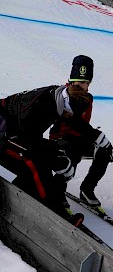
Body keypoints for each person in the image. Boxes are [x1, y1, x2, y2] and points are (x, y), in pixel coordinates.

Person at [0, 84, 95, 226]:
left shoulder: (59, 96)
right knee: (34, 165)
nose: (69, 117)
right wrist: (55, 156)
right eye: (70, 113)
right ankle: (52, 212)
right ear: (67, 105)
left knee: (44, 159)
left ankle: (22, 200)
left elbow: (74, 124)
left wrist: (92, 139)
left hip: (16, 132)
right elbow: (27, 143)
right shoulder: (40, 107)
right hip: (5, 134)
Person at [49, 55, 113, 209]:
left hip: (80, 137)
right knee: (70, 156)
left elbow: (83, 125)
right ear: (72, 81)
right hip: (61, 136)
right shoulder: (64, 95)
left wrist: (99, 140)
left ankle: (87, 189)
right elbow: (72, 121)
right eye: (80, 82)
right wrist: (95, 136)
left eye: (86, 82)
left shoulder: (88, 98)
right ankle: (57, 191)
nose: (84, 86)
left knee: (105, 151)